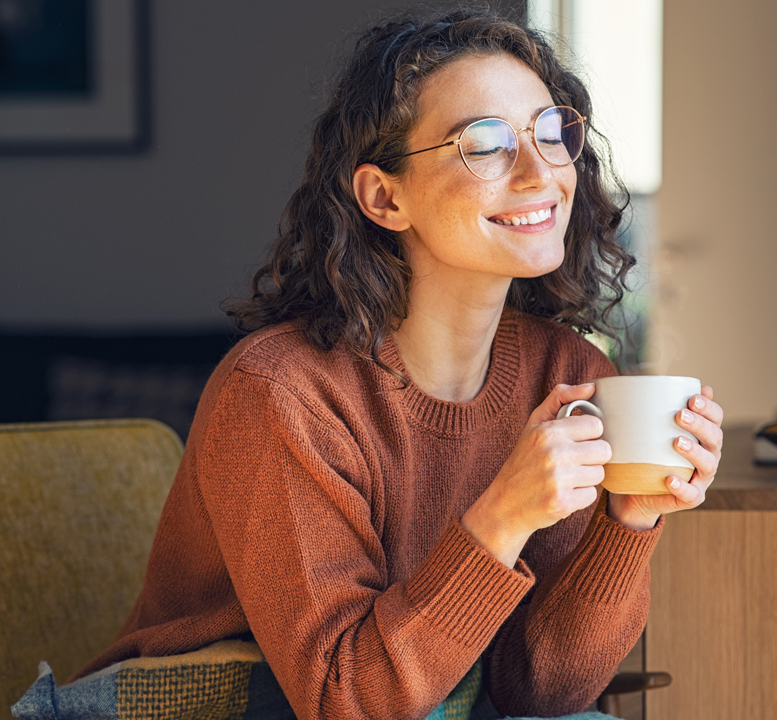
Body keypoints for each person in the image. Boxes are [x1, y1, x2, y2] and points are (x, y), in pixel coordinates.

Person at [72, 7, 724, 719]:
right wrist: (501, 517)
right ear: (386, 197)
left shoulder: (567, 377)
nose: (541, 172)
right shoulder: (281, 394)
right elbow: (343, 700)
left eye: (551, 132)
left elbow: (539, 696)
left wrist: (627, 523)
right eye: (486, 144)